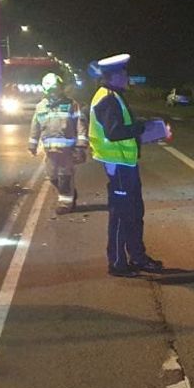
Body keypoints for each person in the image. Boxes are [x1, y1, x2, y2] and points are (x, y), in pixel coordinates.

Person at [88, 53, 168, 277]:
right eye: (123, 73)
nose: (127, 77)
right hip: (118, 166)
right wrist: (141, 127)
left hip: (126, 164)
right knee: (122, 215)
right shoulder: (107, 99)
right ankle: (117, 263)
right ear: (113, 76)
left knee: (134, 213)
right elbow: (114, 133)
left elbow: (121, 128)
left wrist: (146, 131)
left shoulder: (115, 95)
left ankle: (138, 257)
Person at [28, 72, 89, 214]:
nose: (54, 93)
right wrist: (32, 144)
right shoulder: (41, 107)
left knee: (65, 176)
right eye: (51, 90)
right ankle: (70, 193)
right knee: (52, 176)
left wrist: (81, 146)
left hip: (67, 151)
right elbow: (35, 126)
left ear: (61, 89)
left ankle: (65, 204)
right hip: (50, 151)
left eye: (56, 90)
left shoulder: (71, 105)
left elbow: (81, 125)